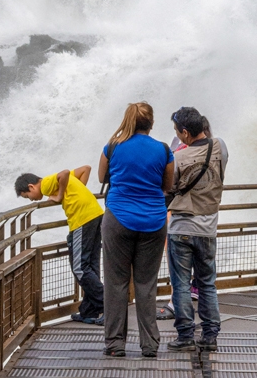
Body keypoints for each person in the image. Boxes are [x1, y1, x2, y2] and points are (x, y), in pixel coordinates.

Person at [98, 102, 174, 358]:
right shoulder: (163, 150)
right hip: (153, 220)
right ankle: (150, 344)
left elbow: (101, 177)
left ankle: (115, 343)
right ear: (151, 123)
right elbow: (168, 184)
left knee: (115, 283)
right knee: (146, 283)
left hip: (118, 217)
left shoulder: (113, 146)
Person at [166, 106, 227, 353]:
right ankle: (210, 335)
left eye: (177, 132)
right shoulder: (220, 146)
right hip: (208, 227)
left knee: (180, 284)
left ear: (184, 132)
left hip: (181, 226)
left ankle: (185, 336)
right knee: (207, 283)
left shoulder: (176, 158)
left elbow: (168, 188)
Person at [15, 166, 104, 325]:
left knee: (79, 267)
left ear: (31, 186)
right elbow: (86, 169)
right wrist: (77, 193)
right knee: (91, 264)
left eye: (28, 196)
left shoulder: (46, 183)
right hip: (96, 214)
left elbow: (63, 173)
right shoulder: (60, 182)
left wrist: (60, 196)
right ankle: (89, 311)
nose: (31, 199)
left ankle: (109, 305)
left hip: (82, 219)